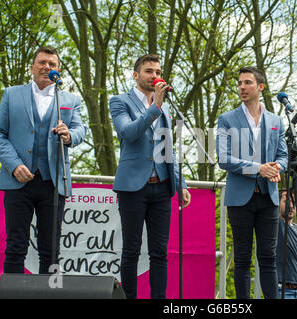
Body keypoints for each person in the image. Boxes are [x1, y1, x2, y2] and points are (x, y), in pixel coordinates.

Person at [0, 46, 86, 274]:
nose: (47, 67)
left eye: (52, 64)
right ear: (32, 68)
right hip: (18, 181)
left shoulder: (70, 100)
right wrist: (14, 165)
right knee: (15, 246)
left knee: (50, 250)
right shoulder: (12, 94)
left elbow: (80, 129)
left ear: (58, 70)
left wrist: (70, 135)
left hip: (53, 182)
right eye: (42, 63)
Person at [109, 54, 191, 299]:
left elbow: (168, 149)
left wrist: (181, 183)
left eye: (157, 71)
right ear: (136, 75)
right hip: (133, 187)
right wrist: (155, 106)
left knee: (159, 252)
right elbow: (128, 132)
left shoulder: (164, 106)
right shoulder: (120, 101)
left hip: (162, 187)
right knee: (131, 250)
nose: (155, 76)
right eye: (149, 71)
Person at [216, 66, 288, 299]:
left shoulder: (276, 120)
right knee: (243, 259)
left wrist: (277, 168)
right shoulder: (227, 119)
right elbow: (224, 159)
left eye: (247, 82)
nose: (242, 87)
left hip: (269, 197)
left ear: (260, 87)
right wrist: (258, 168)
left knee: (268, 258)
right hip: (240, 199)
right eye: (239, 83)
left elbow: (283, 156)